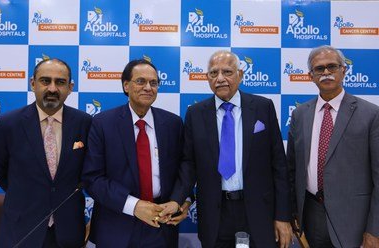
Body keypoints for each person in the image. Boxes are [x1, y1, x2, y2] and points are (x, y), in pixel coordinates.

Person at [160, 50, 292, 248]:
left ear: (240, 75)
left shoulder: (263, 107)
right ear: (207, 78)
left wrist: (283, 216)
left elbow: (279, 165)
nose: (220, 78)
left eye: (227, 72)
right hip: (215, 214)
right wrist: (177, 199)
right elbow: (188, 164)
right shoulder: (195, 114)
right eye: (213, 73)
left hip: (259, 211)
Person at [82, 59, 189, 248]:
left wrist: (180, 200)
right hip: (116, 224)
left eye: (153, 83)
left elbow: (185, 166)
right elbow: (93, 179)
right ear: (126, 85)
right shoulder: (102, 123)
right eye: (140, 81)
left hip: (162, 224)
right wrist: (135, 206)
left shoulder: (172, 123)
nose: (148, 87)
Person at [0, 58, 92, 247]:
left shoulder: (85, 123)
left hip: (68, 230)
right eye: (45, 81)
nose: (52, 88)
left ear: (70, 87)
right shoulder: (8, 124)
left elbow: (89, 171)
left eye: (60, 82)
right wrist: (29, 193)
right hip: (21, 229)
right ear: (33, 83)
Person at [287, 45, 379, 248]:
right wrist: (293, 213)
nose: (326, 72)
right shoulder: (300, 114)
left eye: (332, 67)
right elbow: (292, 170)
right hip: (311, 216)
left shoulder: (371, 114)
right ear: (311, 75)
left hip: (354, 220)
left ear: (343, 70)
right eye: (319, 69)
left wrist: (375, 230)